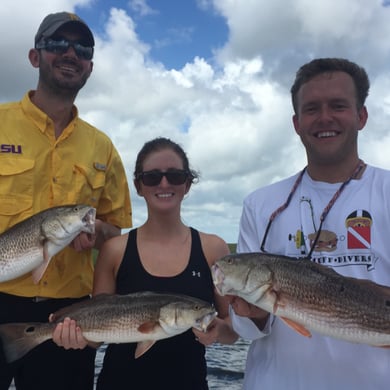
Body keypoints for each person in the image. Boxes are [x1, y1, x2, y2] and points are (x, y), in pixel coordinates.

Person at [228, 57, 390, 389]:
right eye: (312, 108)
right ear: (297, 122)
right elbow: (243, 329)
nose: (325, 118)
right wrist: (254, 313)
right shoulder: (260, 204)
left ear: (361, 116)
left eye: (339, 106)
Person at [0, 11, 132, 390]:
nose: (71, 53)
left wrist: (97, 233)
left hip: (70, 313)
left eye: (82, 48)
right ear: (34, 56)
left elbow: (113, 228)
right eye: (58, 44)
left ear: (90, 66)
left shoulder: (102, 147)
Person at [53, 137, 238, 390]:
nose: (164, 183)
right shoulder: (114, 250)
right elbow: (98, 329)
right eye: (152, 177)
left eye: (175, 176)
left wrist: (218, 331)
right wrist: (73, 336)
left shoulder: (213, 248)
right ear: (139, 186)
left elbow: (232, 327)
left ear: (187, 184)